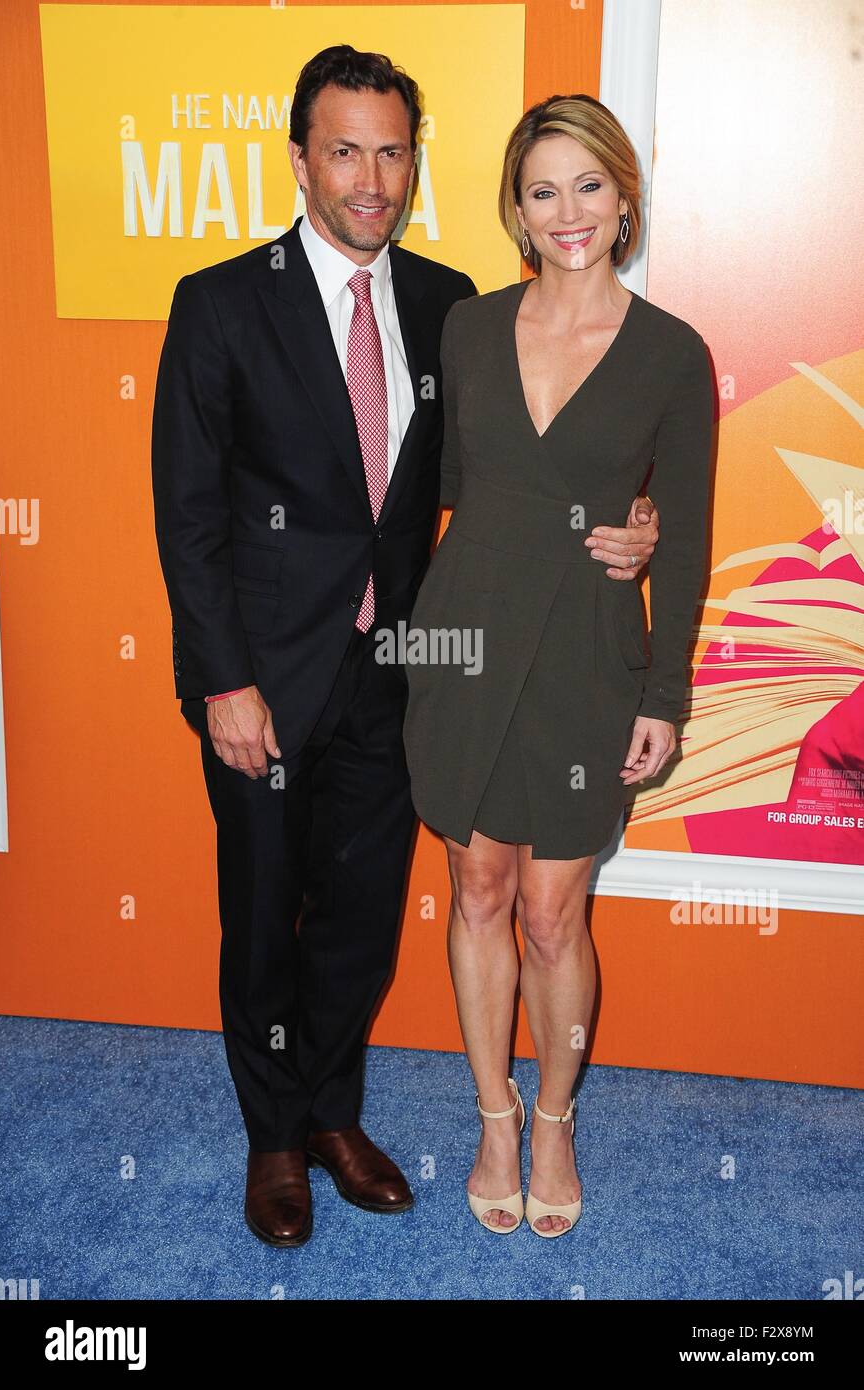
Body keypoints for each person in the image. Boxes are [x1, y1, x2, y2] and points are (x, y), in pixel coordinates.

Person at [151, 49, 660, 1248]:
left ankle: (333, 1112)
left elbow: (517, 478)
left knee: (362, 916)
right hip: (263, 681)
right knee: (266, 908)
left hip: (411, 672)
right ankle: (273, 1135)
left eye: (391, 151)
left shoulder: (449, 306)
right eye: (344, 150)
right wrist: (224, 677)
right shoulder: (221, 302)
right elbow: (188, 513)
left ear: (413, 163)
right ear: (298, 161)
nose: (370, 178)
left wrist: (632, 525)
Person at [403, 94, 715, 1238]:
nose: (566, 210)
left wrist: (664, 695)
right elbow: (439, 490)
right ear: (516, 209)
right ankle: (491, 1116)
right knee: (474, 890)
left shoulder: (673, 354)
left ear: (622, 196)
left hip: (586, 657)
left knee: (550, 913)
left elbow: (677, 540)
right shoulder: (467, 329)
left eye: (587, 184)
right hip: (468, 640)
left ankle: (554, 1120)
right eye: (542, 189)